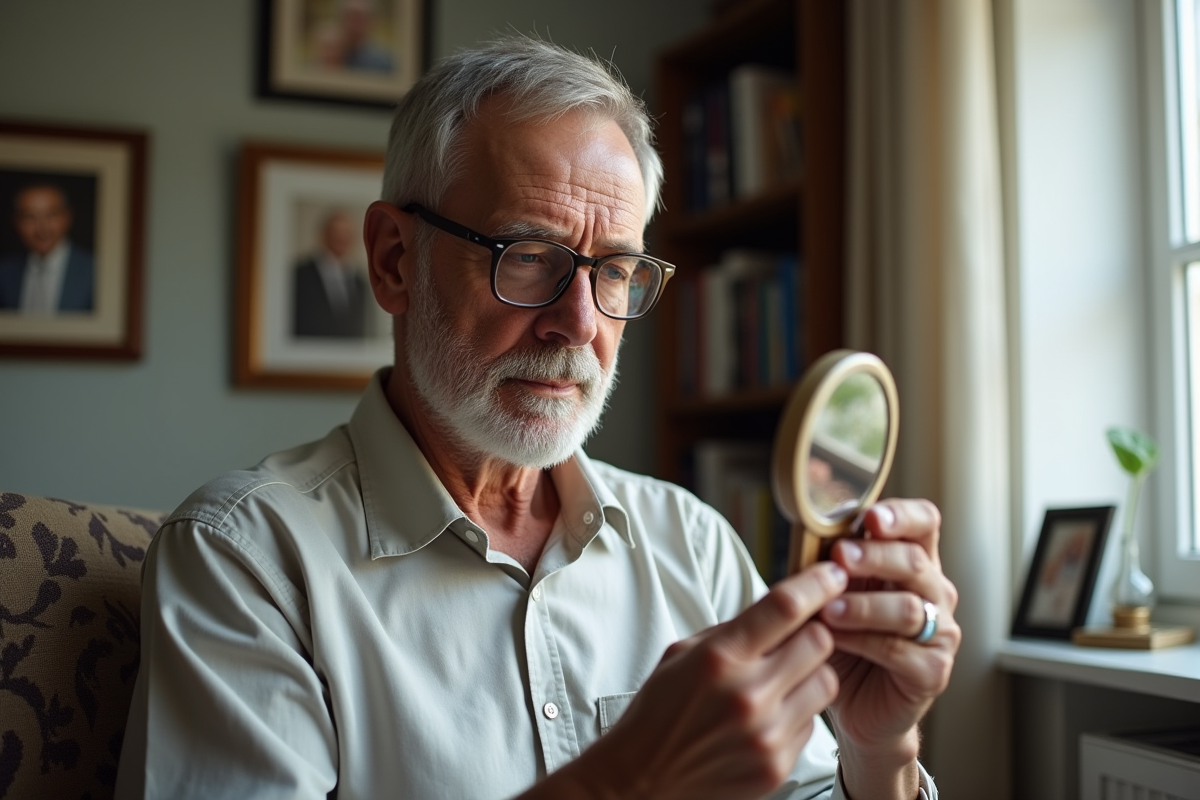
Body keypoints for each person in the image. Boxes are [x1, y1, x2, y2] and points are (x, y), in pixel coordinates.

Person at [115, 36, 960, 800]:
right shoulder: (246, 560)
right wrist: (627, 780)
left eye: (616, 271)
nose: (582, 324)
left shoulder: (691, 544)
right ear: (394, 260)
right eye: (527, 258)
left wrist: (876, 752)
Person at [0, 183, 95, 313]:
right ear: (17, 222)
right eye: (30, 217)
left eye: (52, 215)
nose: (42, 228)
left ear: (67, 217)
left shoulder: (95, 270)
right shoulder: (4, 272)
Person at [292, 209, 370, 338]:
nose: (342, 239)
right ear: (324, 235)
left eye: (347, 234)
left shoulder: (360, 282)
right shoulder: (299, 275)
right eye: (336, 233)